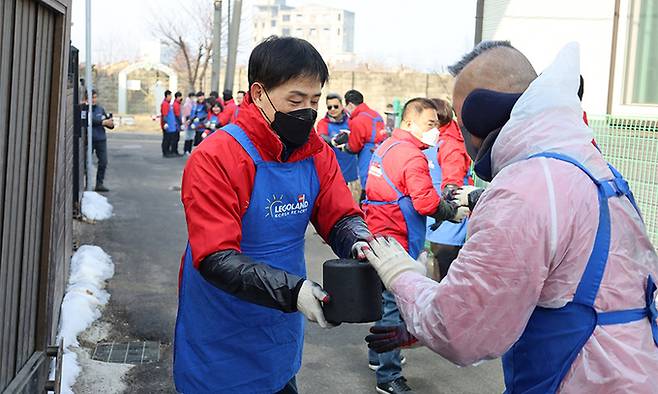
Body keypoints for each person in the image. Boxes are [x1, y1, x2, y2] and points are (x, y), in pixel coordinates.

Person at [363, 42, 658, 393]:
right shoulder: (596, 171)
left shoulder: (525, 188)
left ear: (480, 115)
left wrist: (404, 278)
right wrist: (425, 323)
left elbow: (462, 332)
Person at [174, 36, 373, 394]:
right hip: (221, 328)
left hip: (280, 324)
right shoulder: (217, 157)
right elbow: (215, 256)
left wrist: (362, 245)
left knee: (280, 380)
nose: (307, 112)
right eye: (295, 100)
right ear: (258, 93)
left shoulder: (316, 154)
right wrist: (293, 290)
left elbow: (339, 216)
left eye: (314, 101)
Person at [362, 97, 468, 394]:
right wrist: (451, 211)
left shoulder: (386, 147)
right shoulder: (412, 156)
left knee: (382, 301)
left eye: (437, 125)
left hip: (378, 233)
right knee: (393, 306)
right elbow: (425, 202)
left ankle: (378, 356)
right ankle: (388, 376)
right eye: (430, 124)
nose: (435, 131)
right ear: (410, 123)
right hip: (397, 236)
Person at [424, 98, 476, 280]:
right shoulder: (438, 140)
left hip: (447, 223)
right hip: (438, 216)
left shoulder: (450, 145)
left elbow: (452, 185)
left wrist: (445, 212)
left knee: (445, 271)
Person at [343, 89, 387, 201]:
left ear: (350, 104)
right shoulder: (376, 115)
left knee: (366, 187)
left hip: (367, 154)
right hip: (381, 153)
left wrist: (345, 147)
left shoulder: (358, 120)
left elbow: (355, 146)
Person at [316, 93, 359, 188]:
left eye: (335, 106)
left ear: (342, 106)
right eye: (329, 107)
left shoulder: (352, 121)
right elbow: (322, 137)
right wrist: (334, 141)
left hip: (352, 176)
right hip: (333, 174)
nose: (332, 109)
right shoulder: (323, 123)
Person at [82, 89, 114, 192]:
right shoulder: (86, 109)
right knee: (86, 162)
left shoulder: (100, 109)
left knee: (103, 162)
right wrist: (103, 122)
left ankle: (99, 183)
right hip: (89, 139)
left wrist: (110, 123)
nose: (94, 100)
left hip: (101, 139)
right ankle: (87, 183)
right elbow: (91, 121)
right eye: (92, 97)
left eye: (95, 97)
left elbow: (107, 122)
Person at [160, 90, 178, 157]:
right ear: (167, 96)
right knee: (166, 139)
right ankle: (165, 152)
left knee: (169, 139)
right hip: (167, 125)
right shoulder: (165, 104)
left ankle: (168, 151)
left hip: (171, 125)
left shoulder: (168, 104)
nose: (171, 97)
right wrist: (165, 123)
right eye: (170, 96)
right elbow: (165, 115)